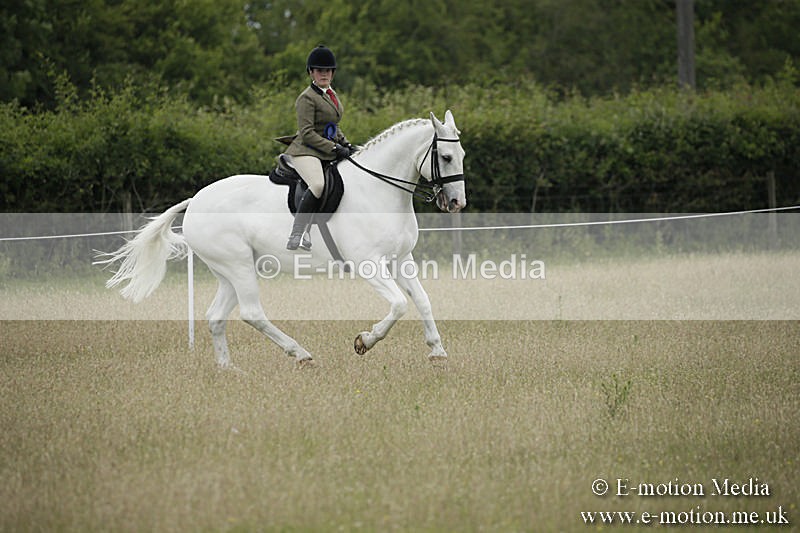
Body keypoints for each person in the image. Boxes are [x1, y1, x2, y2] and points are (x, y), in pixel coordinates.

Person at [283, 45, 354, 251]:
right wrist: (334, 148)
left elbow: (333, 127)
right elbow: (307, 133)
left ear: (332, 73)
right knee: (318, 185)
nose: (324, 74)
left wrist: (347, 144)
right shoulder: (306, 98)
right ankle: (297, 233)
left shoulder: (331, 94)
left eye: (328, 70)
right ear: (311, 73)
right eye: (319, 70)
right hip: (305, 150)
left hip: (324, 149)